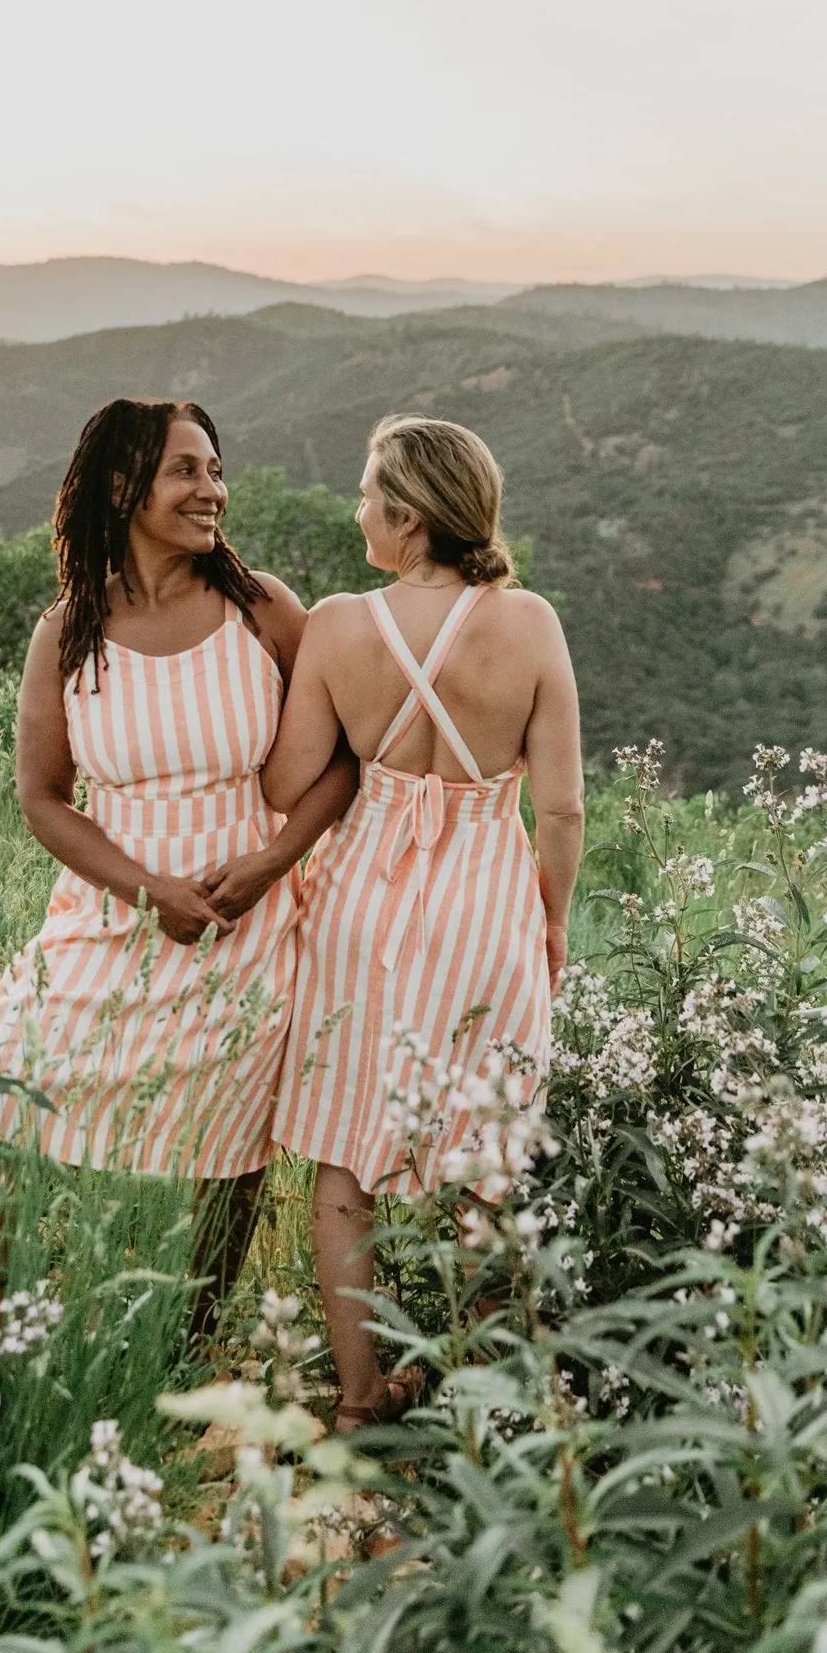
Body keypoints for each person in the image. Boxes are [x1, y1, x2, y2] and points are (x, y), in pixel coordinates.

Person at [0, 398, 357, 1334]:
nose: (213, 490)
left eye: (214, 469)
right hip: (105, 914)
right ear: (123, 487)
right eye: (187, 471)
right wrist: (145, 889)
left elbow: (343, 760)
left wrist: (271, 862)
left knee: (223, 1148)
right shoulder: (69, 631)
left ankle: (184, 1352)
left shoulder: (262, 610)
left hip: (246, 913)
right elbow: (45, 797)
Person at [261, 414, 584, 1430]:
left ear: (408, 516)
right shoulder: (529, 622)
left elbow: (284, 782)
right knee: (485, 1158)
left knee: (346, 1162)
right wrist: (553, 921)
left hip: (364, 906)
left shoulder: (341, 624)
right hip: (489, 907)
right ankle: (473, 1400)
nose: (357, 509)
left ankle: (360, 1397)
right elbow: (564, 807)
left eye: (367, 495)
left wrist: (370, 745)